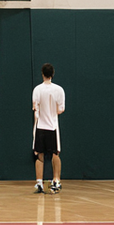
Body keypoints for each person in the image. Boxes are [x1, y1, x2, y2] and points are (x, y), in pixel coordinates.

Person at [32, 62, 65, 194]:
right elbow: (61, 109)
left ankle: (39, 182)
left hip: (40, 127)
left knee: (40, 155)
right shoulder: (59, 90)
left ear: (42, 74)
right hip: (52, 127)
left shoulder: (37, 89)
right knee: (55, 153)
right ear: (52, 74)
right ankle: (56, 180)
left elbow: (35, 107)